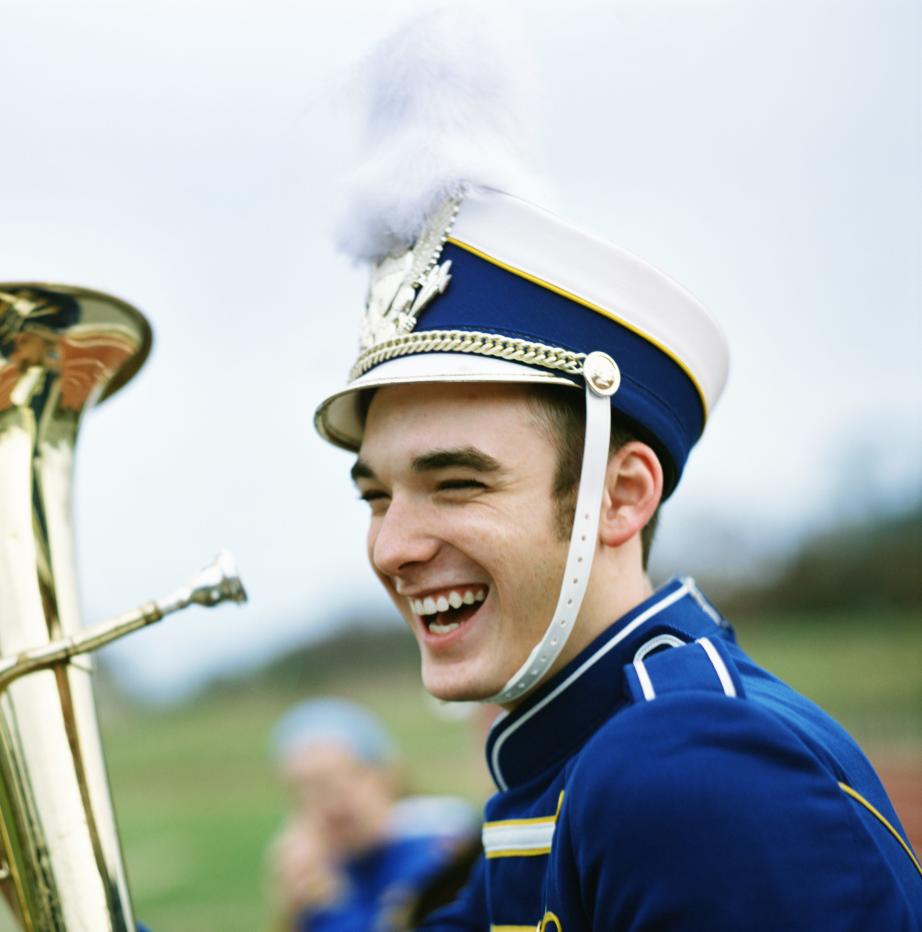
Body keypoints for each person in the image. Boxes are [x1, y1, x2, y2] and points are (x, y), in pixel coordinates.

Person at [305, 12, 922, 930]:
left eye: (458, 482)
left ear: (622, 495)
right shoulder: (568, 753)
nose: (392, 546)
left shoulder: (687, 770)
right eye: (378, 494)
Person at [267, 698, 477, 931]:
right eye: (306, 790)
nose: (329, 804)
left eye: (340, 779)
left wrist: (335, 908)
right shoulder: (329, 867)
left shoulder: (440, 844)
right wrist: (292, 911)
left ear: (387, 773)